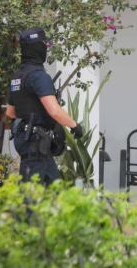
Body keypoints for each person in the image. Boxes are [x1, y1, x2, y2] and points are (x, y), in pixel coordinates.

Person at [6, 28, 83, 185]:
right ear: (38, 47)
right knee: (31, 194)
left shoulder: (17, 77)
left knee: (55, 190)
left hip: (28, 141)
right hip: (36, 144)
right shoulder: (39, 76)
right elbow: (54, 110)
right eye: (44, 45)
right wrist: (74, 126)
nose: (46, 49)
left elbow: (10, 113)